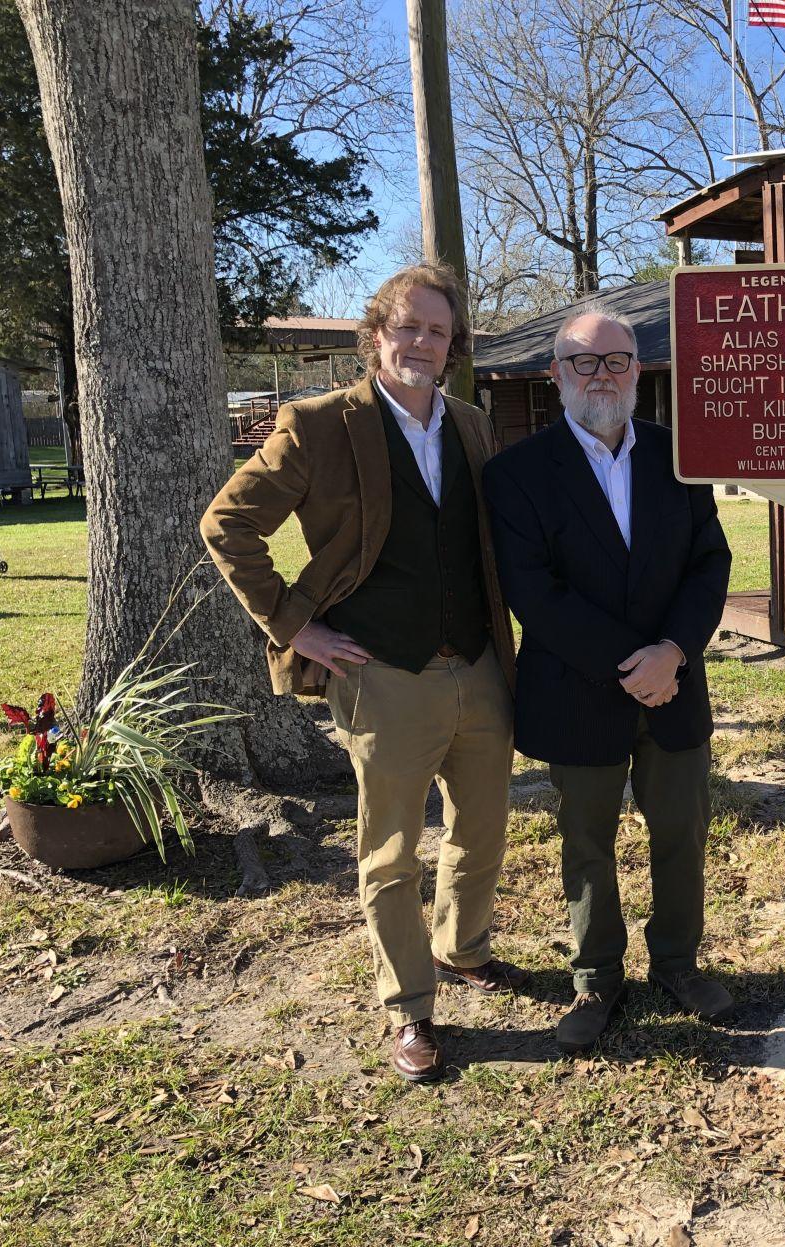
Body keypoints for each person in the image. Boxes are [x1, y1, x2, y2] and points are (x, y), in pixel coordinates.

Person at [201, 263, 529, 1084]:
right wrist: (295, 624)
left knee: (482, 829)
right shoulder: (317, 424)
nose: (422, 342)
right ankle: (410, 1006)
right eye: (408, 326)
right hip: (380, 671)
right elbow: (228, 522)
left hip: (480, 664)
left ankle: (462, 947)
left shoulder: (472, 425)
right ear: (376, 334)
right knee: (390, 853)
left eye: (438, 330)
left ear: (455, 346)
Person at [483, 305, 732, 1053]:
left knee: (682, 833)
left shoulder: (678, 455)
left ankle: (679, 963)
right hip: (577, 688)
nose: (603, 375)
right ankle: (595, 975)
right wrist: (636, 663)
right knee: (586, 840)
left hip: (675, 684)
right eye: (584, 362)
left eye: (618, 360)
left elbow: (710, 562)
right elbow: (535, 593)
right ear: (555, 372)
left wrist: (675, 652)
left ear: (639, 369)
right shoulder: (516, 473)